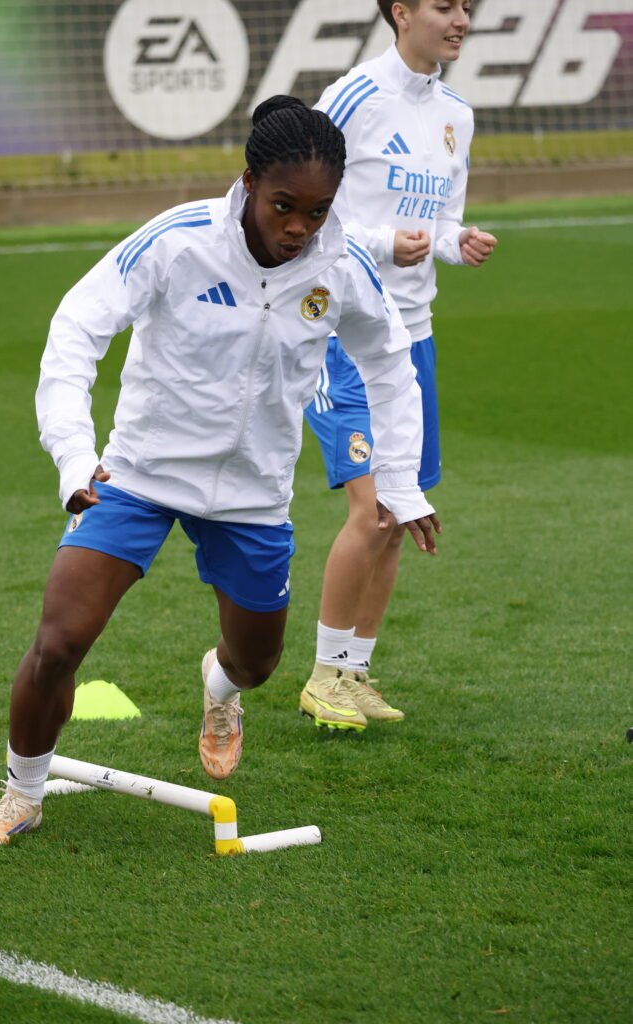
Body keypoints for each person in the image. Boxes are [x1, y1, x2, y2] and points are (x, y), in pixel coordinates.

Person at [0, 95, 439, 847]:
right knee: (59, 641)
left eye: (316, 213)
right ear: (247, 182)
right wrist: (75, 457)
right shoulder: (177, 242)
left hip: (252, 497)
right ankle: (22, 792)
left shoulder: (340, 266)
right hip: (138, 477)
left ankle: (219, 686)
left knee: (256, 662)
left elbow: (388, 364)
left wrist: (401, 482)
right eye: (285, 206)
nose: (298, 228)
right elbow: (76, 328)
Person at [299, 0, 497, 728]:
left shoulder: (457, 114)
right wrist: (383, 245)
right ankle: (321, 676)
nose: (460, 20)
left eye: (467, 8)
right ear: (401, 11)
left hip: (414, 337)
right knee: (372, 508)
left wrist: (454, 241)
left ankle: (353, 673)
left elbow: (440, 219)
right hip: (344, 332)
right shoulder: (351, 98)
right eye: (445, 6)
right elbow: (301, 206)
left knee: (399, 507)